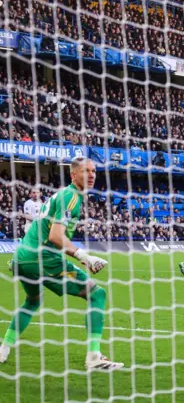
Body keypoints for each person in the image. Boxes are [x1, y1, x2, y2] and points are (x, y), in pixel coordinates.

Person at [0, 157, 122, 370]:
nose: (92, 175)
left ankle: (3, 349)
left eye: (94, 171)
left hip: (22, 257)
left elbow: (41, 229)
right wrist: (85, 256)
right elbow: (56, 237)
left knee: (32, 301)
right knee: (97, 294)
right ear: (73, 175)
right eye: (86, 171)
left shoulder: (62, 195)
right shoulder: (71, 196)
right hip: (44, 258)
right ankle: (93, 356)